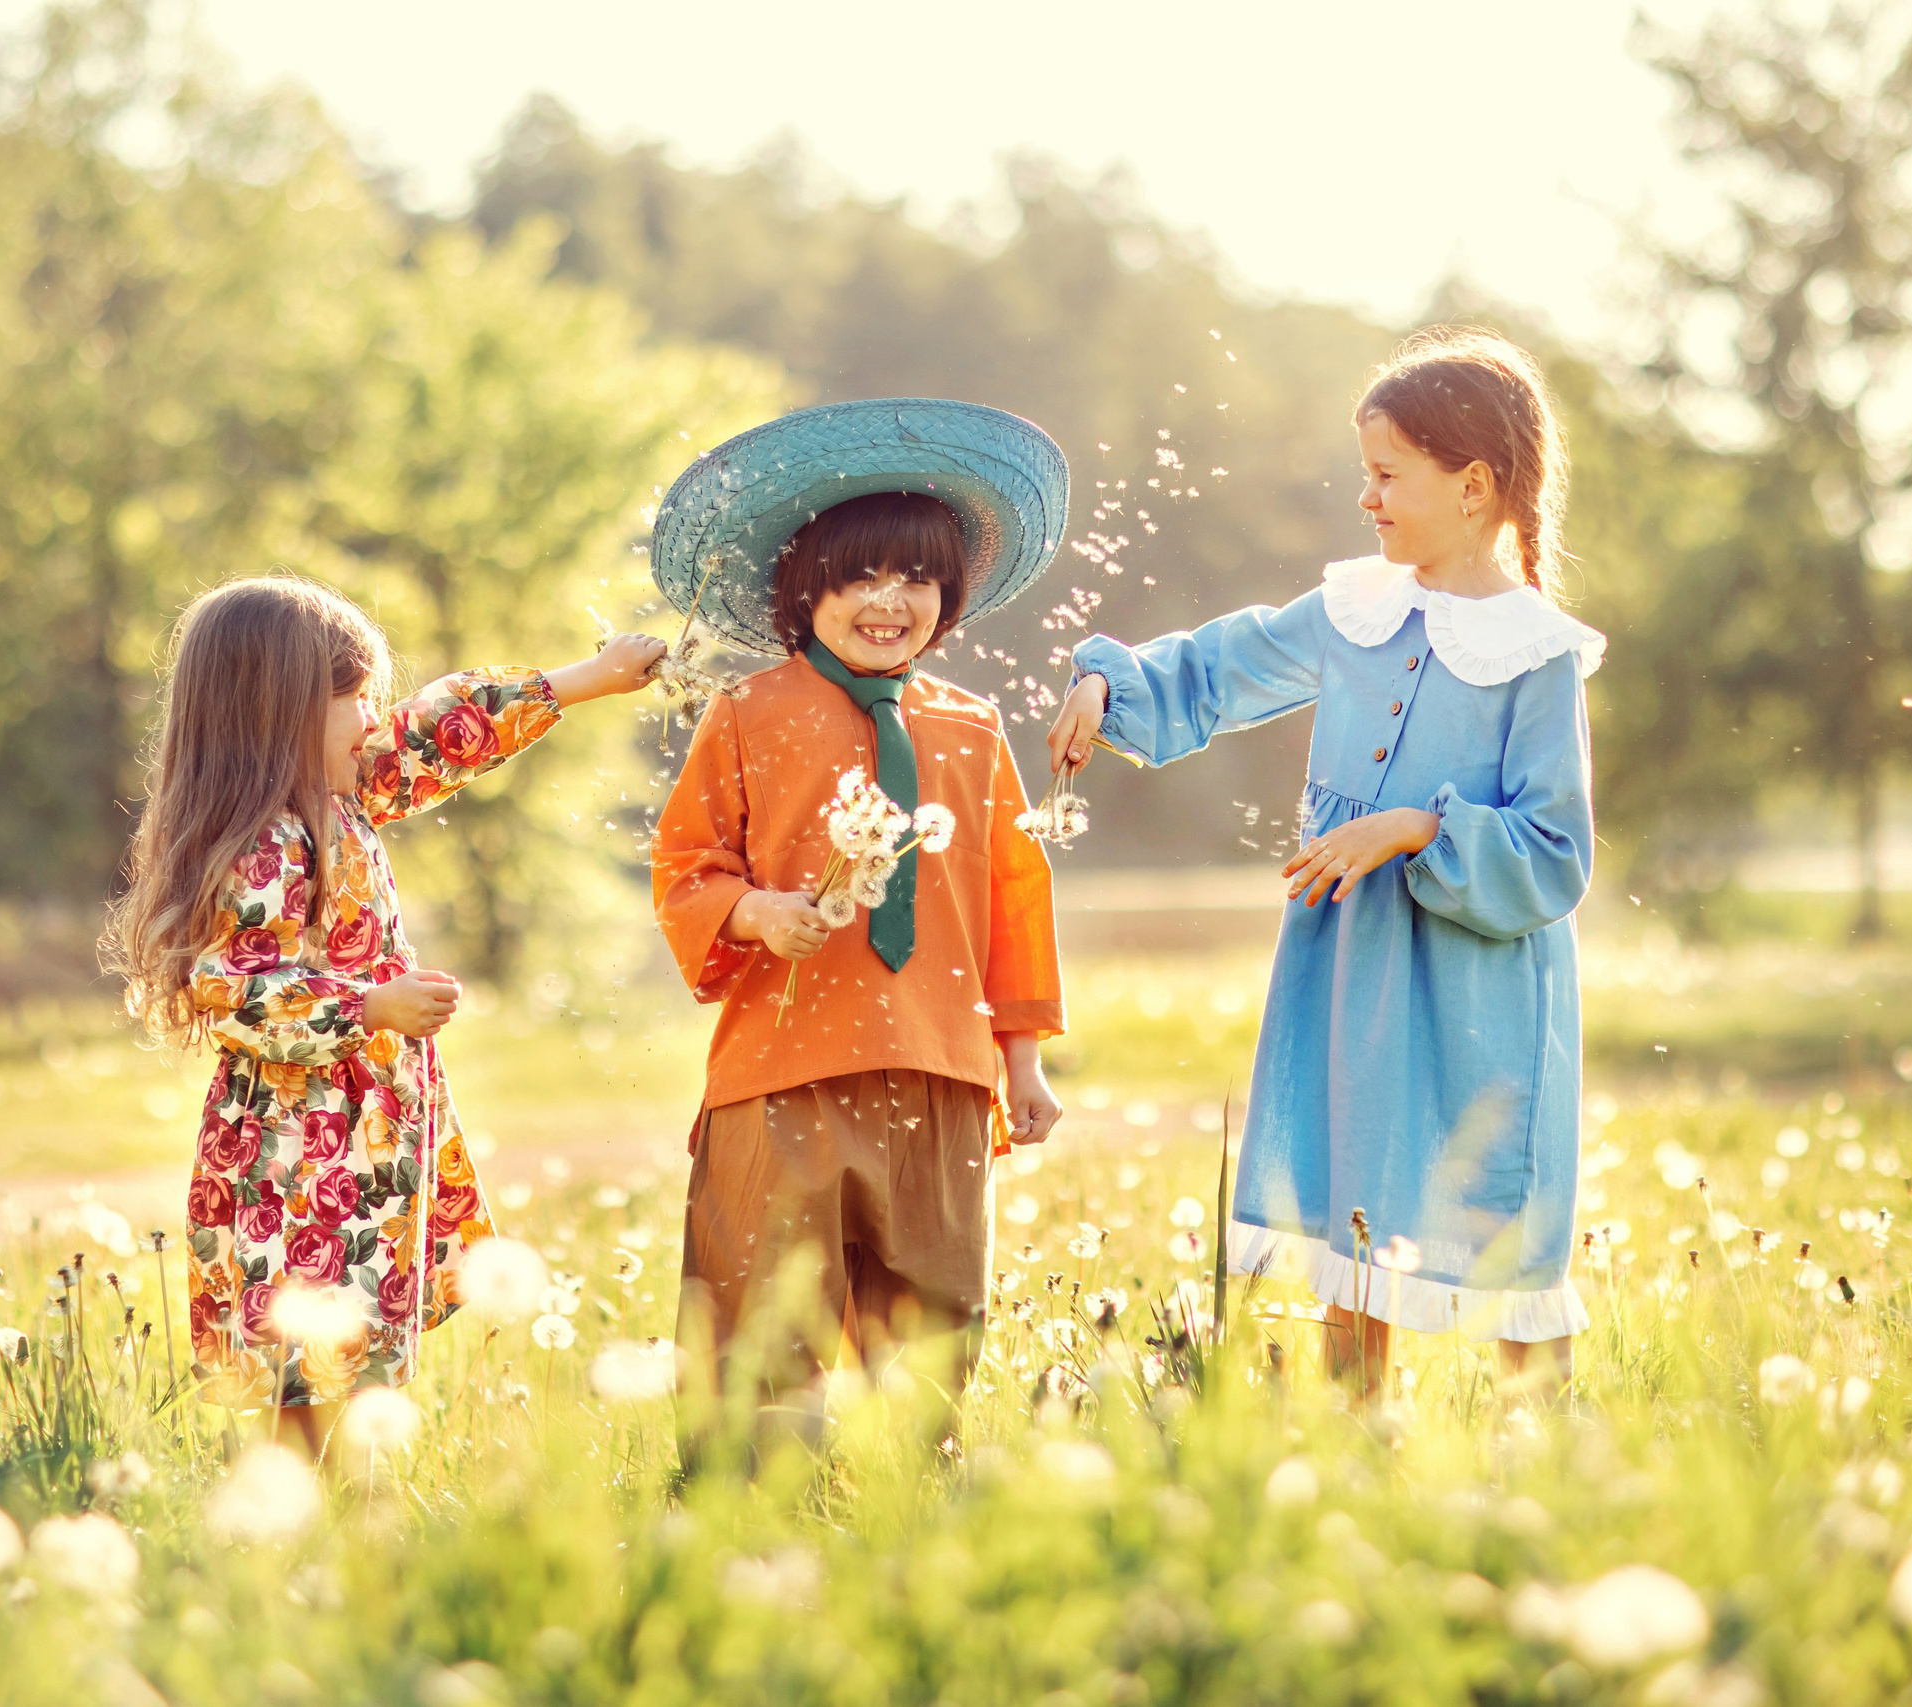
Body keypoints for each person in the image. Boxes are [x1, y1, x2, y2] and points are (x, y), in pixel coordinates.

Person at [1047, 329, 1604, 1398]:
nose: (1368, 499)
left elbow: (1553, 851)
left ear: (1475, 485)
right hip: (1353, 963)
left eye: (1388, 476)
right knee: (1355, 1196)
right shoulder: (1354, 611)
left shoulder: (1537, 655)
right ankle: (1361, 1442)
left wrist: (1410, 829)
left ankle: (1542, 1453)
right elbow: (1219, 664)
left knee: (1502, 1206)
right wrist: (1108, 688)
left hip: (1480, 982)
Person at [104, 573, 665, 1453]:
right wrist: (371, 1006)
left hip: (357, 1134)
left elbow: (434, 736)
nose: (374, 719)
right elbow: (235, 985)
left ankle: (338, 1507)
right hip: (297, 1151)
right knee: (308, 1335)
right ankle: (302, 1510)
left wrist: (585, 679)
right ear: (277, 712)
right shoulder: (265, 844)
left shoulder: (341, 796)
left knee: (355, 1331)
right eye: (355, 698)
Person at [648, 399, 1069, 1433]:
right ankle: (745, 1510)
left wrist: (1021, 1060)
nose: (889, 602)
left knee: (929, 1321)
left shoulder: (971, 728)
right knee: (760, 1318)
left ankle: (901, 1507)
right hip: (782, 1066)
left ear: (951, 595)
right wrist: (753, 912)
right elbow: (684, 862)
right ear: (804, 589)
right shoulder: (750, 714)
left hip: (943, 1066)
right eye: (859, 577)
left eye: (918, 579)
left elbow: (1014, 900)